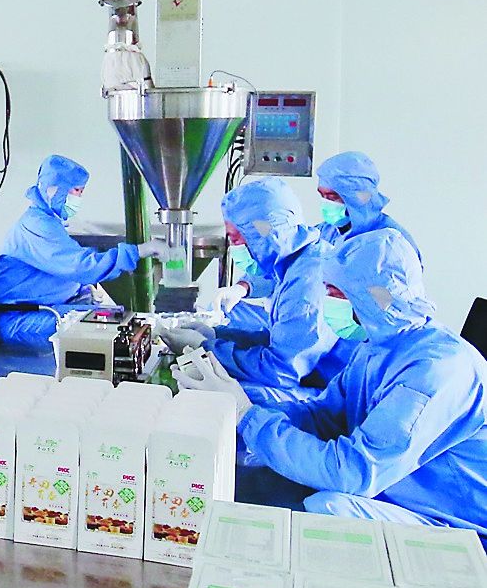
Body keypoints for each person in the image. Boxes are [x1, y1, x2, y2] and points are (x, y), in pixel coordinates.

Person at [179, 229, 487, 534]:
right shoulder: (379, 347)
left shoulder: (435, 372)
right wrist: (235, 406)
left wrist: (248, 417)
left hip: (449, 521)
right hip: (387, 487)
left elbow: (352, 473)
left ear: (376, 297)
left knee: (327, 508)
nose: (327, 302)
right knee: (252, 475)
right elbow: (323, 417)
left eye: (335, 294)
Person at [160, 178, 337, 393]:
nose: (235, 247)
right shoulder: (299, 262)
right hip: (308, 374)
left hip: (321, 389)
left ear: (266, 234)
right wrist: (217, 335)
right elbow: (277, 341)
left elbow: (280, 370)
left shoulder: (307, 285)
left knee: (225, 393)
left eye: (236, 238)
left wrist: (206, 349)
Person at [0, 155, 161, 347]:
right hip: (17, 321)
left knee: (110, 319)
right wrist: (138, 251)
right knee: (99, 329)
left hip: (43, 310)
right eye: (76, 191)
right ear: (55, 190)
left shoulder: (49, 221)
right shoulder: (37, 226)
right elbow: (80, 267)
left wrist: (84, 292)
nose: (78, 198)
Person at [317, 151, 418, 256]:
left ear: (357, 198)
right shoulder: (324, 232)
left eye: (333, 197)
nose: (326, 203)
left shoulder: (392, 242)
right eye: (322, 196)